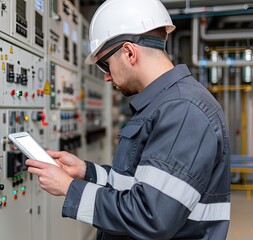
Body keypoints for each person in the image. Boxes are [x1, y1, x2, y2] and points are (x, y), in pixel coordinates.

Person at [26, 0, 231, 239]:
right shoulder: (165, 104)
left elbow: (151, 216)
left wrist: (69, 188)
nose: (106, 77)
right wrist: (86, 172)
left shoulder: (183, 110)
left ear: (129, 52)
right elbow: (138, 182)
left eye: (106, 65)